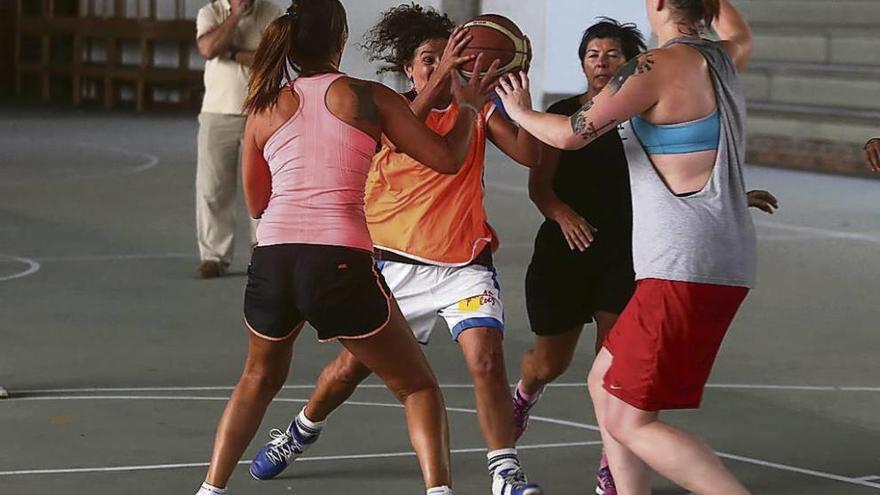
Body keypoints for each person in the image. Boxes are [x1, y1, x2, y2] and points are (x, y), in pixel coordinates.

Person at [193, 1, 499, 494]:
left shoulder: (264, 104)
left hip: (273, 257)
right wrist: (465, 106)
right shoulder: (368, 97)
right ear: (341, 39)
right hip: (337, 257)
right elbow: (444, 157)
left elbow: (256, 202)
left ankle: (210, 489)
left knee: (256, 378)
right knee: (417, 387)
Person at [496, 0, 760, 493]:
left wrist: (518, 110)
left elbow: (571, 133)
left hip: (684, 263)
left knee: (633, 422)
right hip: (716, 255)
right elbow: (741, 34)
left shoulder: (655, 67)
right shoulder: (723, 57)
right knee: (603, 381)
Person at [194, 0, 281, 279]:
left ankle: (263, 248)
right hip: (217, 112)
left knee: (263, 185)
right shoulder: (210, 13)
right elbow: (208, 49)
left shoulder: (271, 13)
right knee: (213, 187)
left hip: (260, 111)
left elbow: (271, 58)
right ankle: (213, 256)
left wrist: (231, 52)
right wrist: (234, 17)